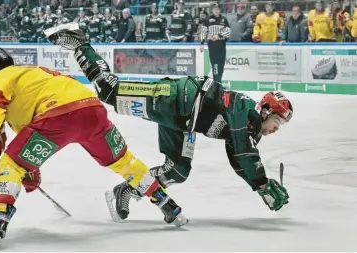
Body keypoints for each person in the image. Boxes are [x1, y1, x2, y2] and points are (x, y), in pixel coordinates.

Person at [45, 22, 291, 222]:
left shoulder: (250, 131)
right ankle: (79, 41)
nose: (277, 129)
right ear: (266, 110)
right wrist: (262, 183)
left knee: (177, 171)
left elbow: (238, 158)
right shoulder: (246, 110)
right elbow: (244, 150)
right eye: (277, 122)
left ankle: (126, 190)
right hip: (173, 98)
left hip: (185, 123)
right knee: (109, 90)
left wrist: (259, 186)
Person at [0, 48, 189, 250]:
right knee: (125, 162)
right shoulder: (35, 74)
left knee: (10, 164)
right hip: (93, 110)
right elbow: (28, 137)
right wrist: (29, 168)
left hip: (58, 116)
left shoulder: (1, 76)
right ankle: (167, 205)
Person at [199, 3, 230, 83]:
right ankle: (217, 83)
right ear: (212, 10)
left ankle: (218, 82)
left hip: (222, 45)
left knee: (221, 65)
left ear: (220, 10)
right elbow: (203, 31)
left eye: (218, 9)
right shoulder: (207, 19)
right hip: (213, 46)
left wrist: (218, 35)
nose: (216, 11)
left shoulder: (224, 19)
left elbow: (228, 32)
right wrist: (201, 43)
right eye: (214, 9)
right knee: (215, 65)